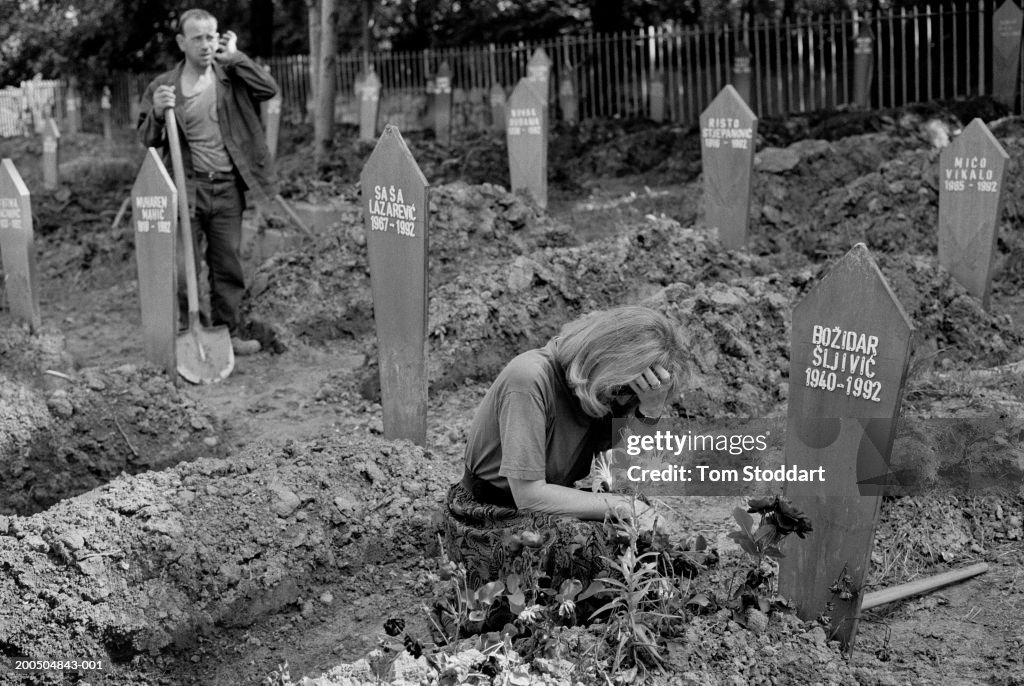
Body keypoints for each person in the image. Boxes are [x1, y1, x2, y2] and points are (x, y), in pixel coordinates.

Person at [440, 305, 687, 592]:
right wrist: (620, 506)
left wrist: (650, 408)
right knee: (584, 548)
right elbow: (529, 496)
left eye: (636, 394)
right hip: (488, 517)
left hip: (544, 510)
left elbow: (624, 473)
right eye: (626, 390)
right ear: (608, 362)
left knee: (636, 525)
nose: (623, 403)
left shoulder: (604, 393)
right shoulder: (529, 379)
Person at [138, 8, 278, 356]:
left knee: (227, 265)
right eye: (197, 38)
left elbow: (268, 89)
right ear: (182, 42)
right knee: (185, 270)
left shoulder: (231, 76)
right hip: (188, 187)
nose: (205, 44)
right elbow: (147, 138)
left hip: (228, 187)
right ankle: (188, 335)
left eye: (211, 36)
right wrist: (157, 113)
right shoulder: (163, 86)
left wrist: (236, 57)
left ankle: (228, 334)